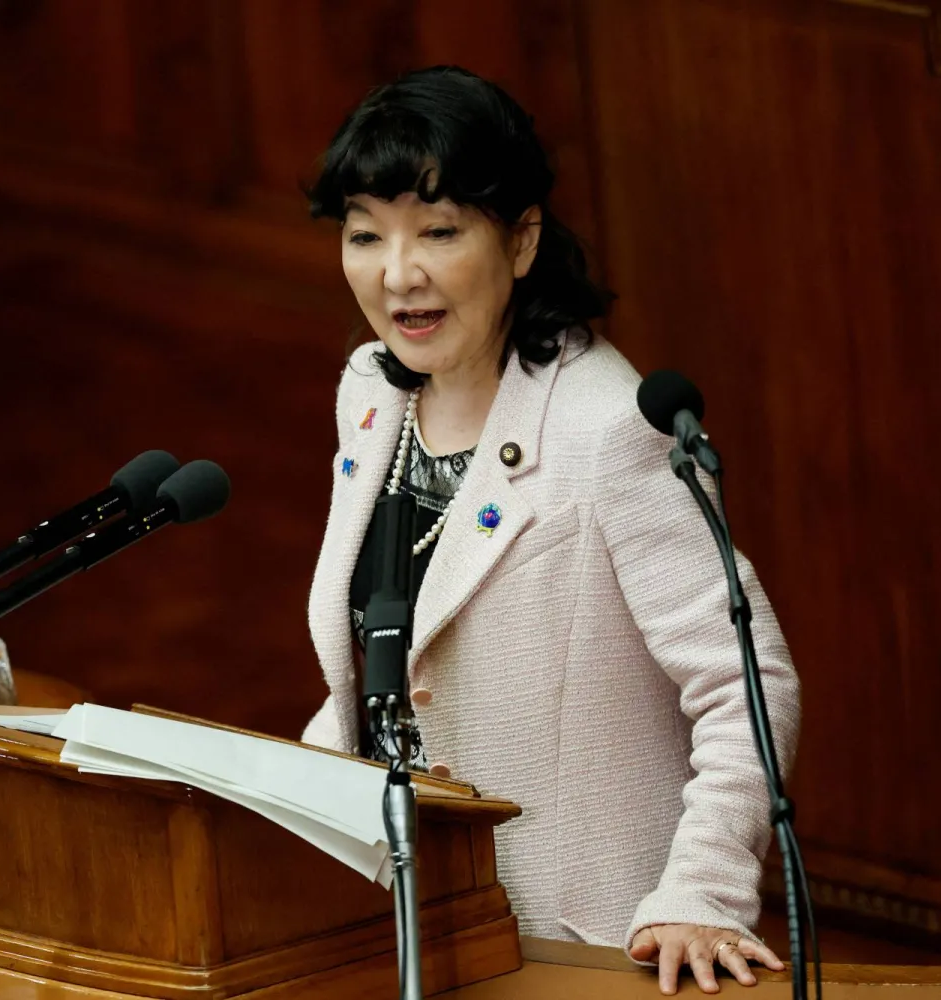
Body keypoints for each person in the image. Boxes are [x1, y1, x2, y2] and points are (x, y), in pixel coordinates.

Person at [300, 65, 800, 996]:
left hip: (576, 942)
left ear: (522, 239)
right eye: (365, 233)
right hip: (395, 920)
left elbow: (748, 682)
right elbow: (388, 659)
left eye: (439, 232)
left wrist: (701, 890)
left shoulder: (609, 426)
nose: (396, 271)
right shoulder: (371, 394)